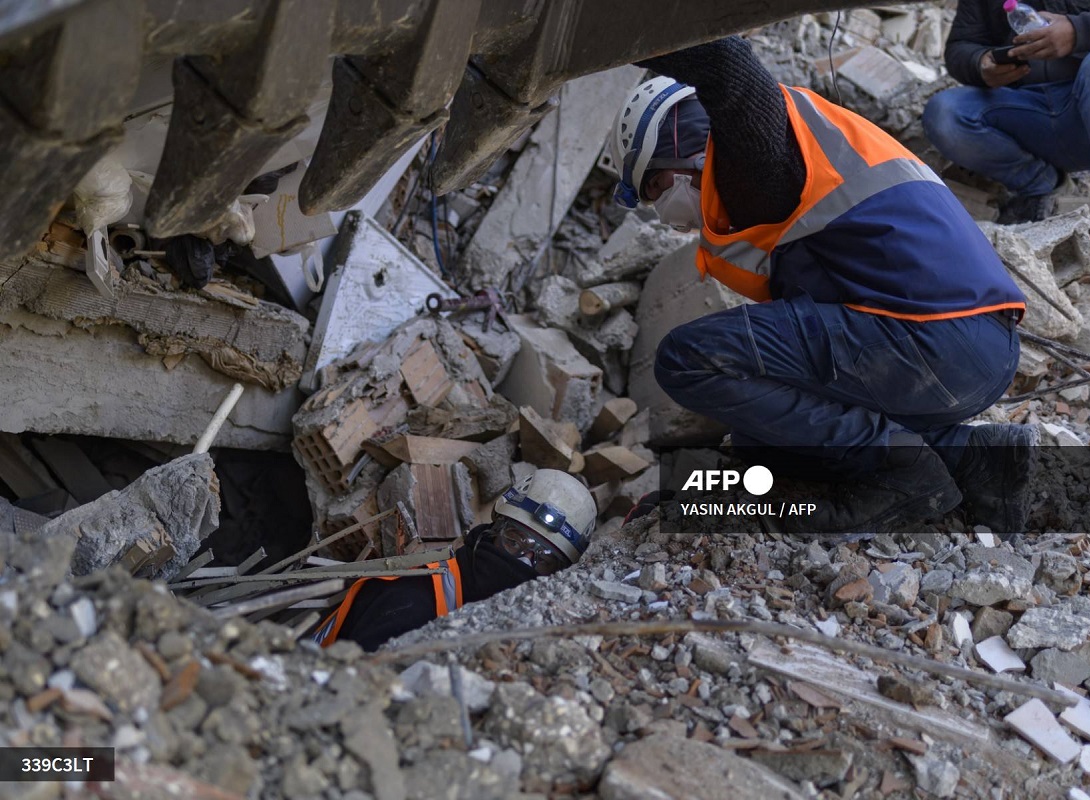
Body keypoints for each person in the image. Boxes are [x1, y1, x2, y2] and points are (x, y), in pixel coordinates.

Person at [610, 36, 1038, 534]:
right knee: (763, 441)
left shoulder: (754, 163)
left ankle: (899, 471)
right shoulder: (790, 177)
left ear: (681, 141)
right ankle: (974, 458)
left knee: (688, 358)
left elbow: (726, 64)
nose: (663, 211)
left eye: (656, 187)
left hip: (934, 340)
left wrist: (610, 38)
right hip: (968, 351)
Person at [923, 0, 1090, 278]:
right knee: (946, 113)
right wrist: (981, 64)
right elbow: (962, 45)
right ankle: (1042, 187)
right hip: (1027, 109)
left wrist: (1078, 31)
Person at [312, 469, 596, 651]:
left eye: (544, 559)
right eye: (515, 541)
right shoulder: (411, 599)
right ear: (493, 531)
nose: (523, 560)